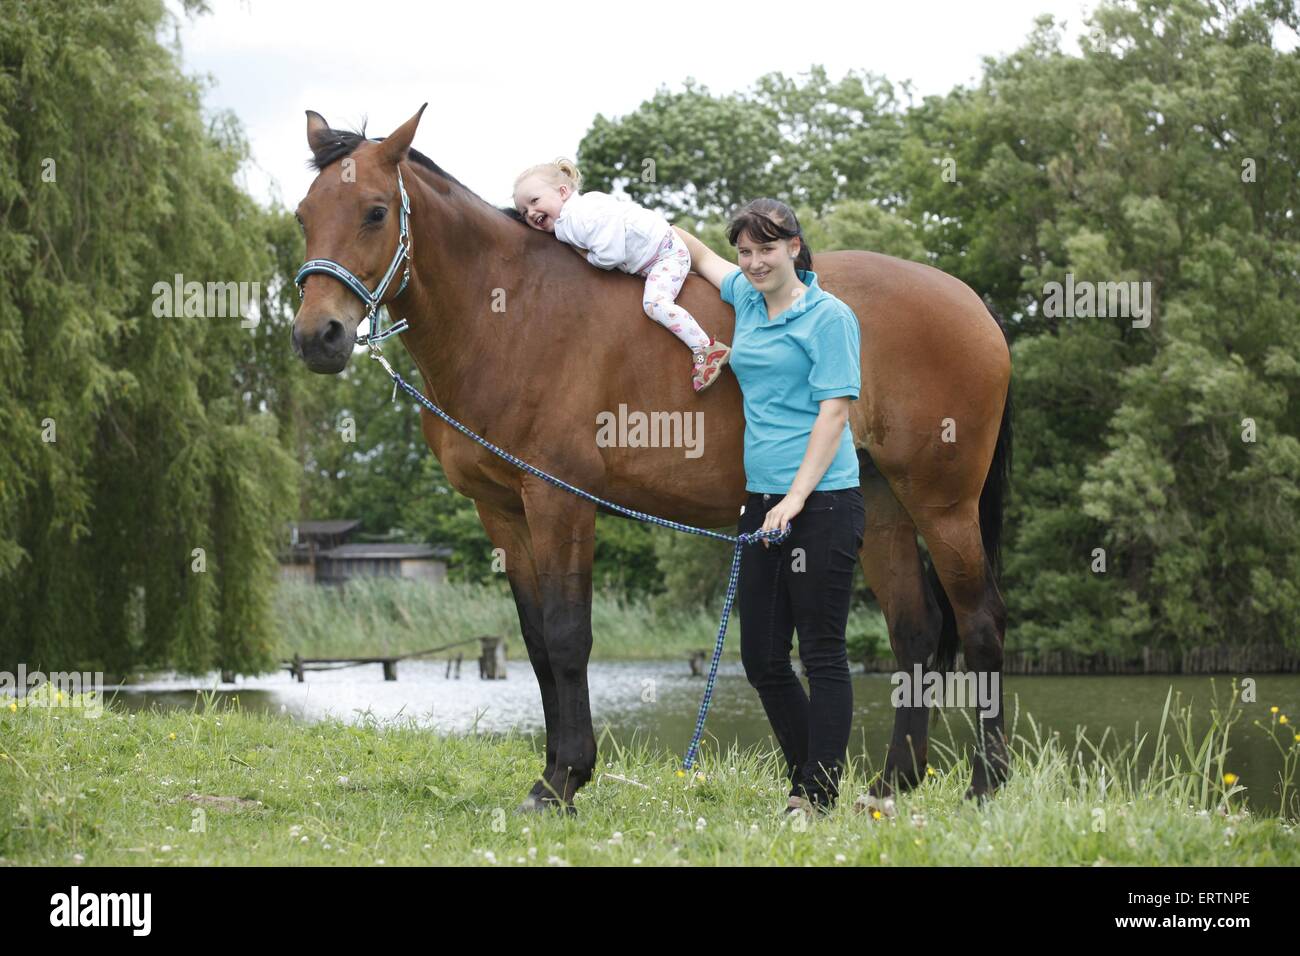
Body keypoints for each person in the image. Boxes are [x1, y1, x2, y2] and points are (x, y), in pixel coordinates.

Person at [673, 199, 865, 817]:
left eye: (767, 249)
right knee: (760, 657)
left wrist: (797, 499)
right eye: (746, 251)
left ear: (795, 249)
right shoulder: (748, 300)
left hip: (824, 502)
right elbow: (699, 256)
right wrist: (634, 224)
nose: (754, 262)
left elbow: (834, 413)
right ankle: (817, 782)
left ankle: (811, 794)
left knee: (822, 652)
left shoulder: (829, 317)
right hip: (761, 504)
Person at [513, 158, 732, 392]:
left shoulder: (581, 215)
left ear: (563, 192)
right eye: (524, 212)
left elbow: (611, 255)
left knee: (654, 304)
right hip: (652, 257)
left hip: (665, 254)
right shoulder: (567, 222)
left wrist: (587, 257)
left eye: (535, 201)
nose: (531, 212)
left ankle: (705, 349)